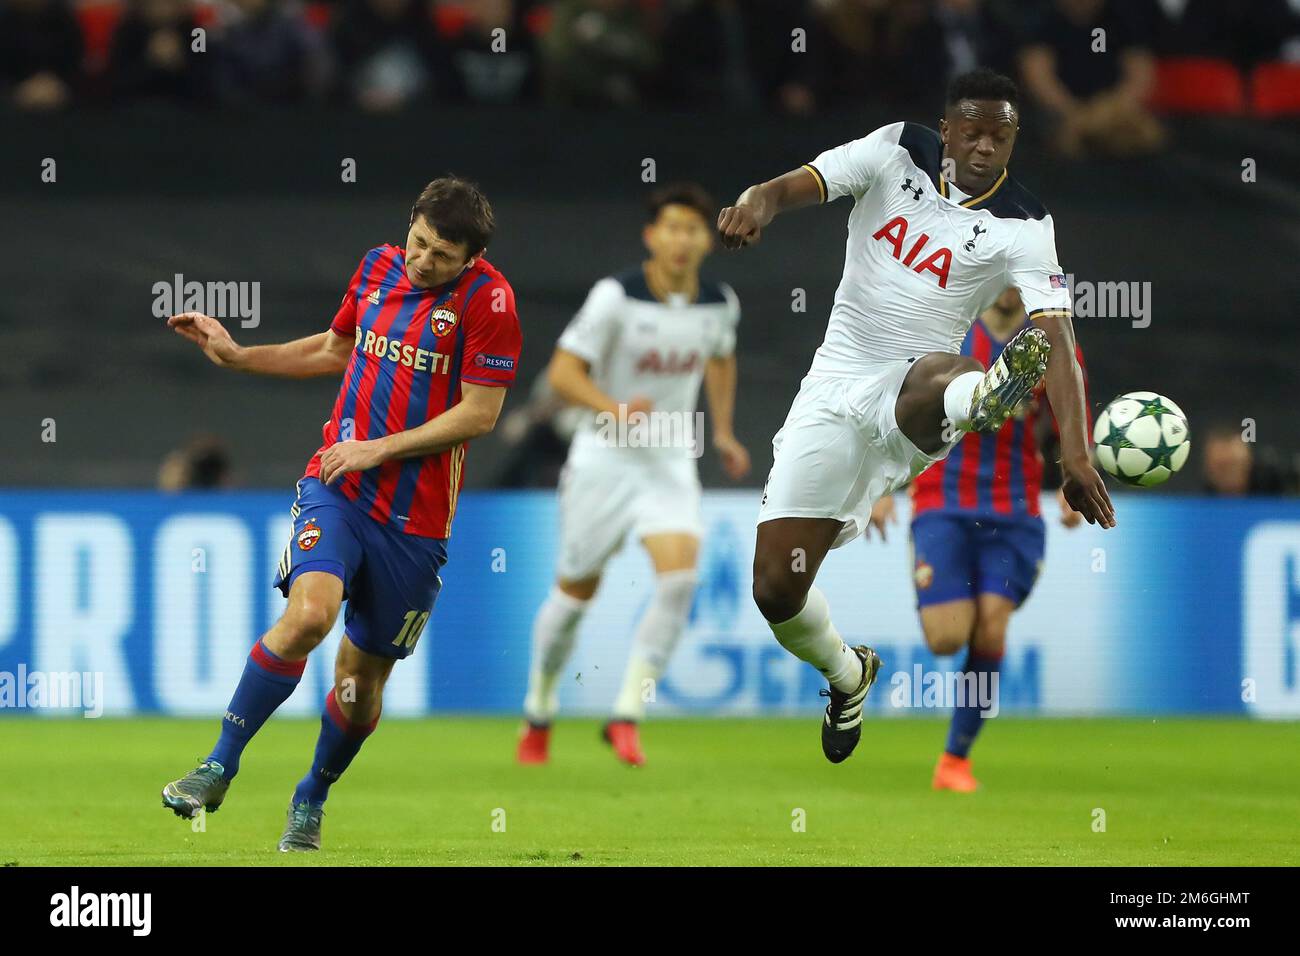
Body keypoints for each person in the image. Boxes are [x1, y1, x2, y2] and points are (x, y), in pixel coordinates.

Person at [716, 67, 1113, 766]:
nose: (987, 146)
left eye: (1003, 134)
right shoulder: (897, 149)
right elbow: (799, 182)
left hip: (917, 399)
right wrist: (758, 203)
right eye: (975, 131)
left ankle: (986, 396)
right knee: (775, 587)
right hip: (834, 387)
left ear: (1014, 138)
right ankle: (847, 675)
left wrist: (1074, 454)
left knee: (941, 371)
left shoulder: (1024, 226)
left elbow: (1058, 340)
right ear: (950, 126)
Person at [160, 177, 522, 851]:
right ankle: (218, 765)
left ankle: (312, 795)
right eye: (418, 243)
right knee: (308, 617)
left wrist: (378, 448)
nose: (421, 262)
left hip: (415, 525)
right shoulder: (377, 267)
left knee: (359, 688)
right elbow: (335, 348)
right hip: (338, 487)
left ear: (470, 259)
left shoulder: (490, 303)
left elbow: (481, 413)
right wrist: (239, 357)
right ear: (408, 225)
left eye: (441, 256)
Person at [517, 183, 749, 767]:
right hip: (604, 454)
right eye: (670, 227)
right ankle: (540, 706)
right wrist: (613, 409)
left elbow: (720, 358)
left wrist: (721, 430)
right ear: (652, 236)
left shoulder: (719, 303)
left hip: (670, 457)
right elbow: (564, 373)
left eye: (692, 229)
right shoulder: (614, 296)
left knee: (678, 582)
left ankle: (627, 714)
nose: (680, 239)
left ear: (706, 242)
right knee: (575, 594)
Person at [868, 286, 1086, 791]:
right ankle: (934, 573)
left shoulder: (1052, 339)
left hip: (1015, 512)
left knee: (991, 628)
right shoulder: (946, 329)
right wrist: (880, 483)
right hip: (942, 500)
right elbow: (899, 405)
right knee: (946, 639)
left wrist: (1074, 481)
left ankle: (954, 760)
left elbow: (1069, 420)